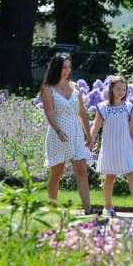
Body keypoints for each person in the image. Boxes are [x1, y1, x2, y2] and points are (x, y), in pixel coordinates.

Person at [90, 75, 133, 217]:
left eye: (124, 89)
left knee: (132, 174)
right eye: (118, 88)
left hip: (125, 147)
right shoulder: (103, 107)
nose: (121, 91)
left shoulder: (128, 107)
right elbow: (96, 126)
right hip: (110, 148)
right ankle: (107, 207)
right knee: (110, 177)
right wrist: (90, 140)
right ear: (111, 89)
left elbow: (132, 128)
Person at [40, 53, 95, 213]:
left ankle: (88, 210)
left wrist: (89, 136)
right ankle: (52, 208)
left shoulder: (75, 87)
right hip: (58, 135)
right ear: (56, 67)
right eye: (64, 67)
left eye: (69, 67)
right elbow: (49, 113)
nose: (67, 70)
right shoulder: (48, 90)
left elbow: (82, 113)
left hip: (76, 134)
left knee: (82, 171)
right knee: (56, 173)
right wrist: (58, 131)